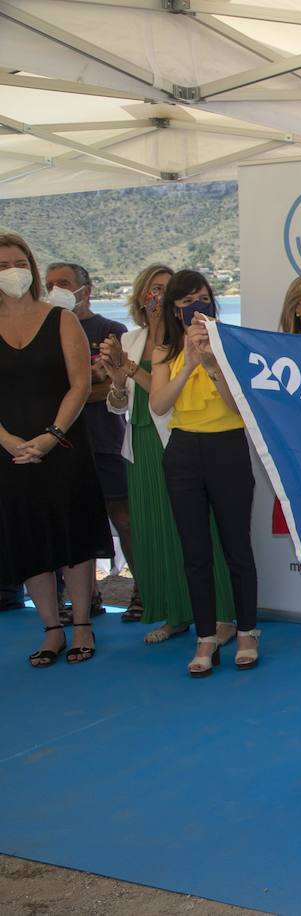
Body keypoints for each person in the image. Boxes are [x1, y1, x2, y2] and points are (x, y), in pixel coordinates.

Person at [101, 265, 238, 647]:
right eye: (153, 290)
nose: (158, 297)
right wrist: (117, 378)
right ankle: (177, 614)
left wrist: (133, 372)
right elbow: (120, 402)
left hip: (178, 440)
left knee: (201, 532)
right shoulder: (130, 339)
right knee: (157, 530)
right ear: (142, 297)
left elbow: (163, 399)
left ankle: (222, 615)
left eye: (166, 290)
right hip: (141, 442)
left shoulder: (191, 339)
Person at [0, 231, 111, 666]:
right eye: (2, 265)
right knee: (27, 535)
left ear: (31, 266)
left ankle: (81, 624)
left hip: (63, 444)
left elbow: (81, 385)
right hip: (11, 451)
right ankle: (51, 629)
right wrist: (10, 442)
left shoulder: (61, 320)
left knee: (74, 532)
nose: (12, 272)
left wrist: (50, 436)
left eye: (18, 263)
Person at [148, 271, 260, 677]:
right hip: (182, 451)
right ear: (175, 310)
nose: (197, 306)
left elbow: (240, 409)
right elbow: (159, 405)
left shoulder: (230, 341)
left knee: (237, 547)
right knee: (195, 553)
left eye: (203, 298)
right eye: (187, 301)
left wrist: (212, 364)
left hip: (227, 447)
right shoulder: (164, 350)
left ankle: (247, 631)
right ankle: (206, 637)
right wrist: (188, 365)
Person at [46, 261, 130, 623]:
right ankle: (86, 598)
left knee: (123, 518)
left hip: (106, 440)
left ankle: (142, 590)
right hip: (62, 445)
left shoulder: (111, 329)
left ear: (86, 289)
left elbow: (118, 386)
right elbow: (46, 392)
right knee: (72, 521)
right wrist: (86, 385)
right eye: (49, 284)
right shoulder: (46, 330)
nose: (54, 290)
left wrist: (81, 389)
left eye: (63, 283)